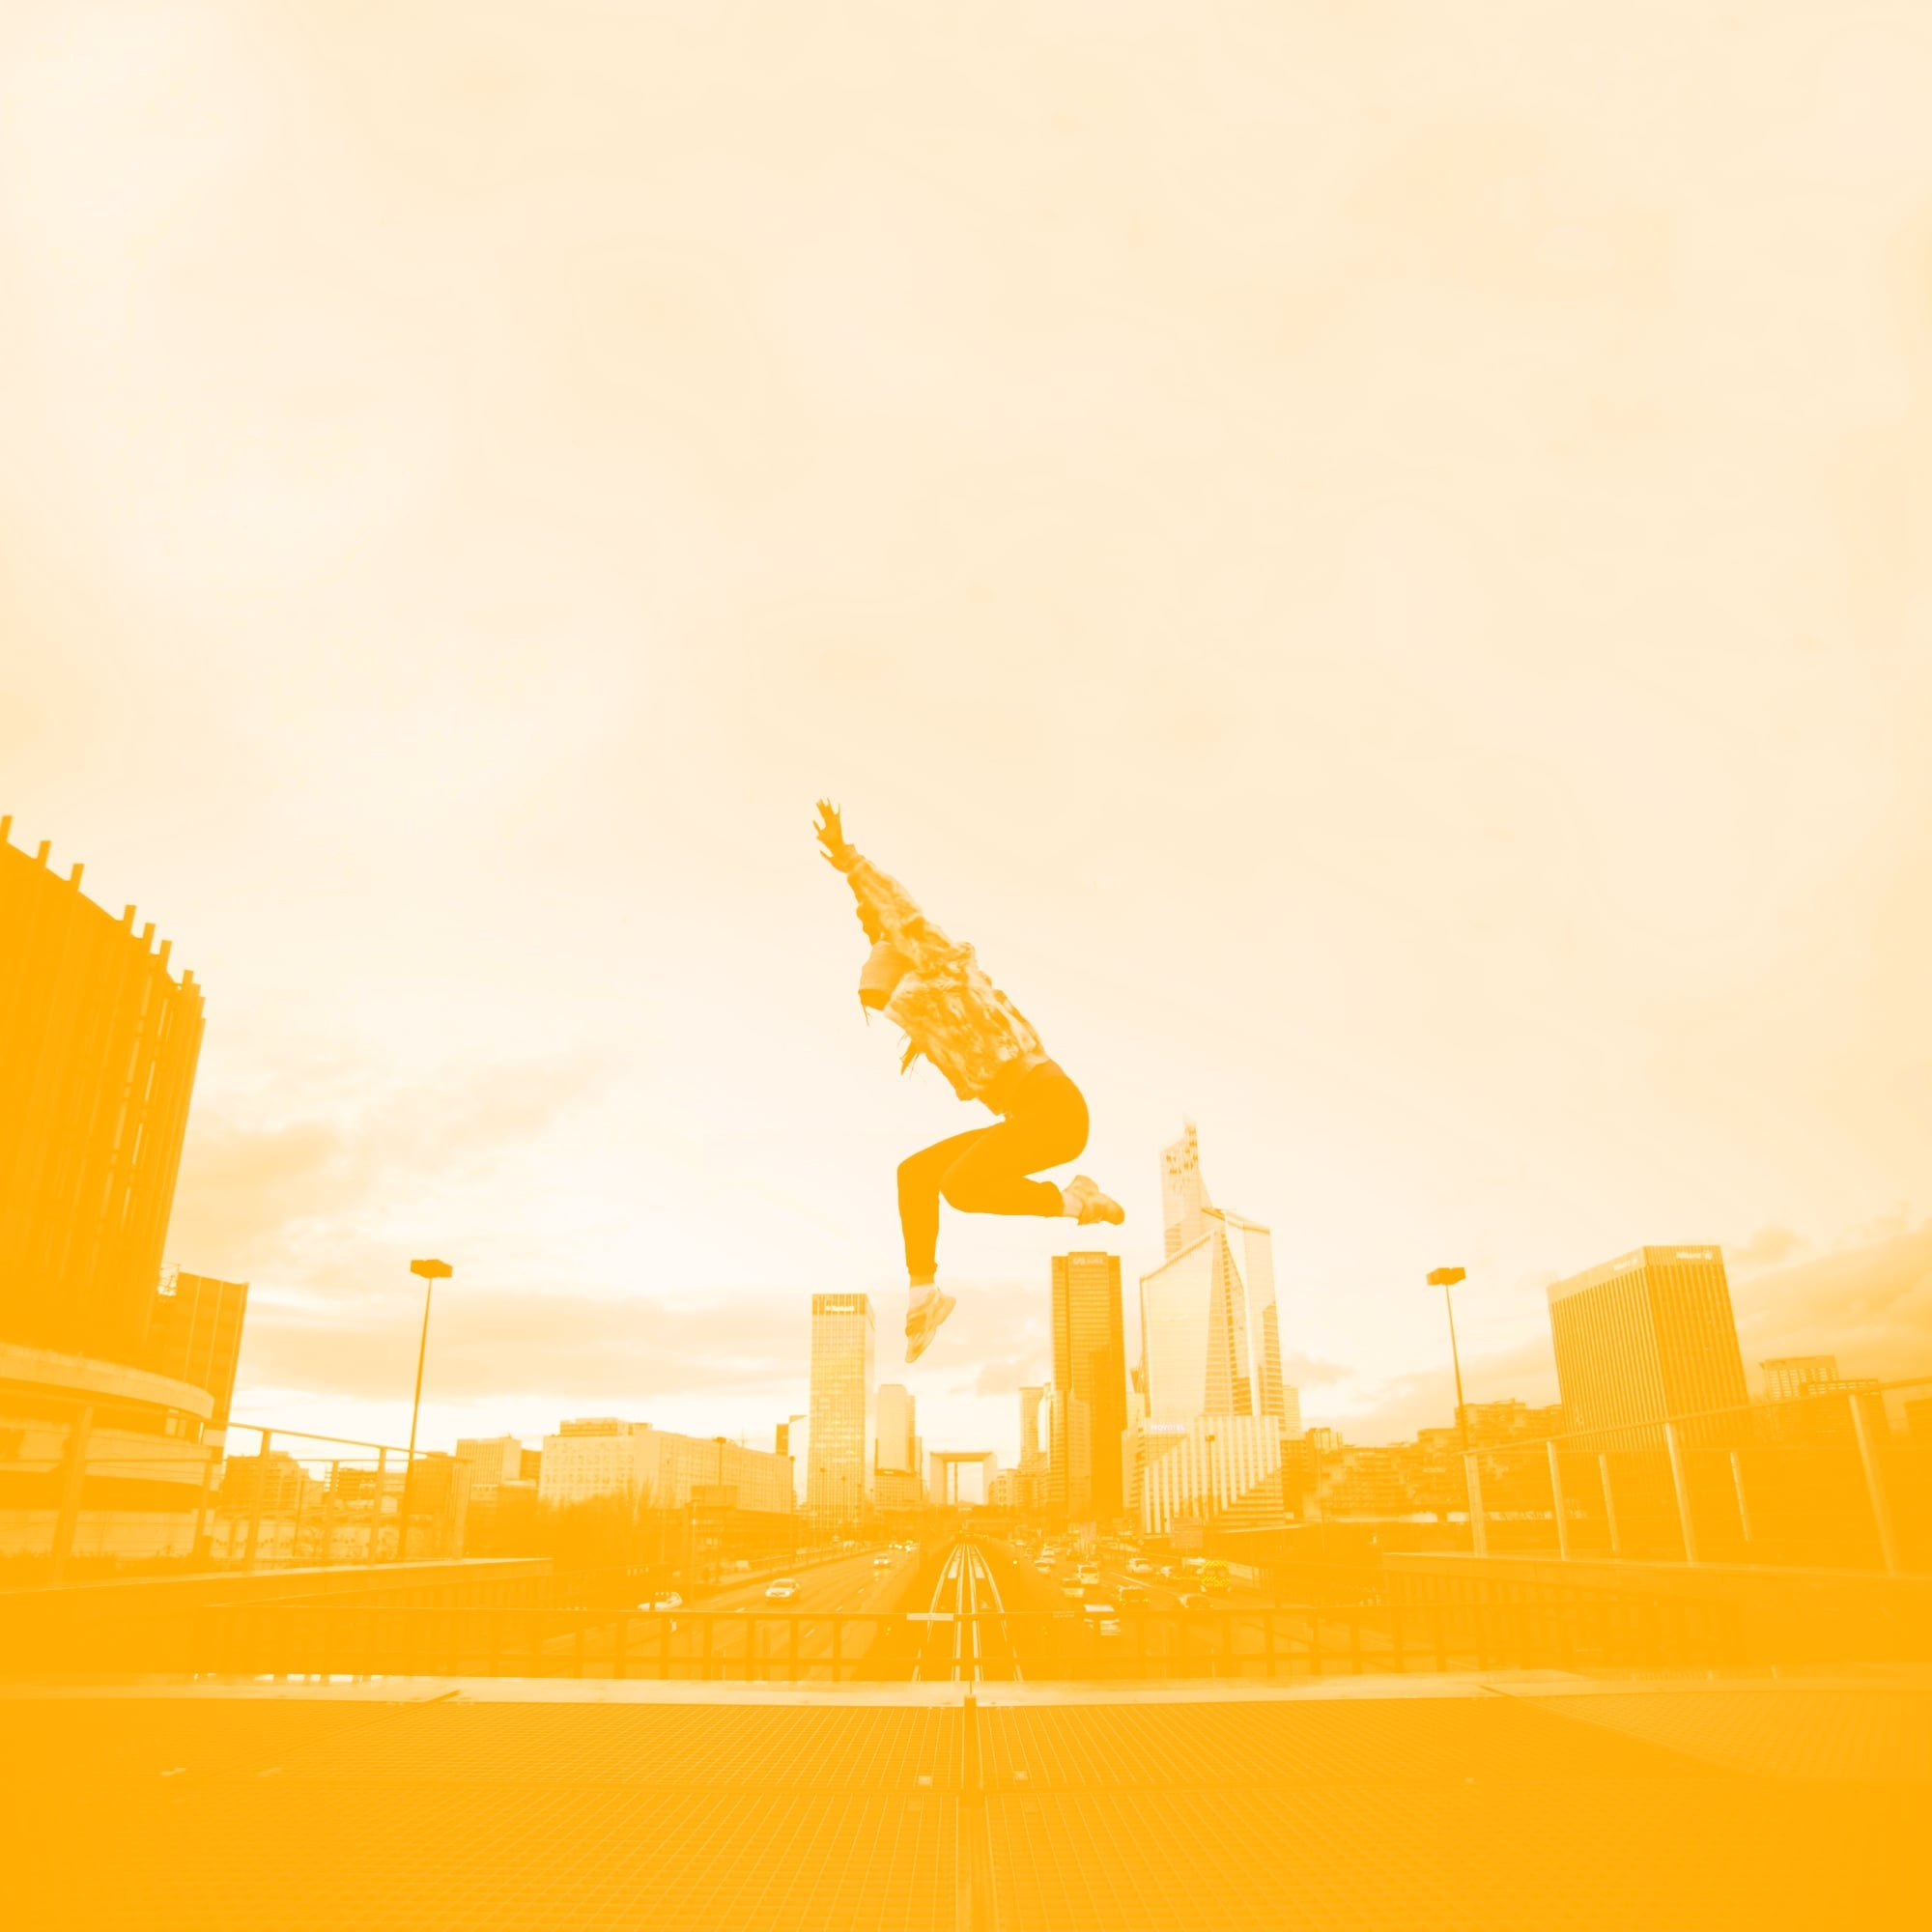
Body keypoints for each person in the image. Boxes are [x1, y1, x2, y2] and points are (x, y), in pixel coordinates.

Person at [815, 801, 1123, 1362]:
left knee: (959, 1185)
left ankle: (1075, 1202)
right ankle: (923, 1294)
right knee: (916, 1175)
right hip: (1028, 1117)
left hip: (1056, 1109)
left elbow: (893, 915)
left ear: (900, 963)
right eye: (883, 1004)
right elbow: (874, 927)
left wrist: (849, 861)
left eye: (881, 991)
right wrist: (863, 910)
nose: (888, 1006)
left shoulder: (942, 967)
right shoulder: (919, 1003)